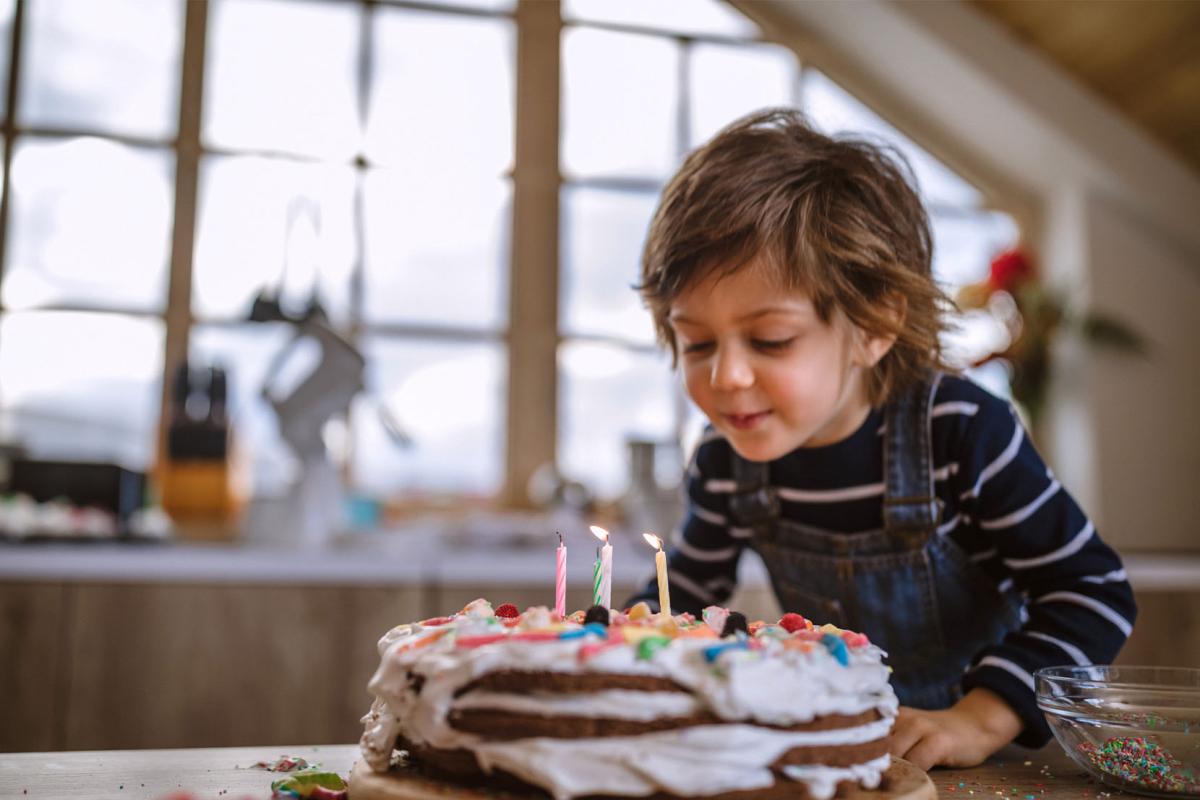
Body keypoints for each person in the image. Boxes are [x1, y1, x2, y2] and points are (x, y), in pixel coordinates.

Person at [627, 109, 1136, 769]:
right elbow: (680, 600)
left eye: (770, 339)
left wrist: (981, 718)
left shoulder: (961, 432)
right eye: (697, 343)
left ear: (874, 323)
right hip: (837, 764)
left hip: (980, 769)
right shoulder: (725, 460)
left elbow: (1093, 589)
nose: (727, 376)